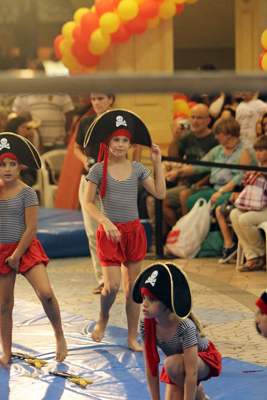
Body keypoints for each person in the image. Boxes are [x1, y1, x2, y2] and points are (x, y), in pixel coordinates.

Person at [84, 109, 166, 352]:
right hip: (109, 233)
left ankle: (132, 337)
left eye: (125, 140)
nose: (120, 145)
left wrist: (158, 164)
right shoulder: (98, 169)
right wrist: (105, 221)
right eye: (116, 140)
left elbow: (160, 193)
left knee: (133, 289)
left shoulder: (138, 168)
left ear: (130, 144)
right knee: (111, 287)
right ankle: (103, 316)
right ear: (108, 143)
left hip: (133, 232)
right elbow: (87, 203)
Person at [0, 133, 67, 369]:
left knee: (46, 293)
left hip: (25, 249)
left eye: (12, 164)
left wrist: (17, 255)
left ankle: (59, 335)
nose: (7, 169)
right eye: (2, 164)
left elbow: (31, 228)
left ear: (20, 166)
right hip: (2, 252)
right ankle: (6, 351)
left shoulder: (27, 192)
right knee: (4, 305)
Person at [74, 93, 142, 294]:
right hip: (90, 177)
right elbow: (77, 148)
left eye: (101, 98)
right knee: (93, 230)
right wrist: (84, 160)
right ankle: (104, 278)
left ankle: (127, 275)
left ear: (111, 99)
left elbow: (136, 143)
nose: (96, 103)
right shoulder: (86, 121)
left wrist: (135, 167)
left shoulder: (121, 119)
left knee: (123, 227)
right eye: (93, 99)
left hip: (116, 179)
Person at [132, 262, 222, 400]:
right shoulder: (146, 323)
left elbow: (191, 373)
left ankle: (200, 394)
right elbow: (150, 367)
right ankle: (199, 395)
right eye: (143, 297)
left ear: (167, 303)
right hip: (177, 365)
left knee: (171, 364)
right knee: (173, 365)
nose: (144, 303)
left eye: (151, 299)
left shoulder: (185, 326)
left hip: (203, 359)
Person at [177, 117, 257, 219]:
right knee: (191, 200)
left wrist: (221, 191)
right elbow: (201, 165)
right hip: (215, 188)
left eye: (218, 134)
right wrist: (178, 172)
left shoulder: (245, 151)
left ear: (228, 135)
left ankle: (218, 233)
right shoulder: (218, 150)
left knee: (219, 202)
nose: (216, 137)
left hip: (233, 190)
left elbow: (240, 177)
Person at [162, 104, 218, 229]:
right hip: (188, 181)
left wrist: (198, 185)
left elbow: (214, 169)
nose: (194, 121)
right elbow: (173, 157)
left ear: (208, 120)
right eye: (192, 117)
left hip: (207, 183)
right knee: (161, 199)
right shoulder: (187, 137)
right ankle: (178, 230)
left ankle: (187, 232)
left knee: (185, 195)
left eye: (199, 118)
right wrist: (175, 138)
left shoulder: (214, 139)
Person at [226, 135, 267, 271]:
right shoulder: (258, 168)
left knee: (244, 219)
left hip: (265, 209)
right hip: (258, 207)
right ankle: (252, 256)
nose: (258, 154)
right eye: (256, 151)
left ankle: (260, 255)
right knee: (234, 214)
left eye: (261, 150)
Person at [5, 116, 38, 187]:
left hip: (25, 172)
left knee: (27, 180)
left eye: (27, 128)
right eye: (23, 127)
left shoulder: (26, 142)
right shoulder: (7, 142)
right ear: (15, 128)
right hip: (8, 171)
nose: (25, 130)